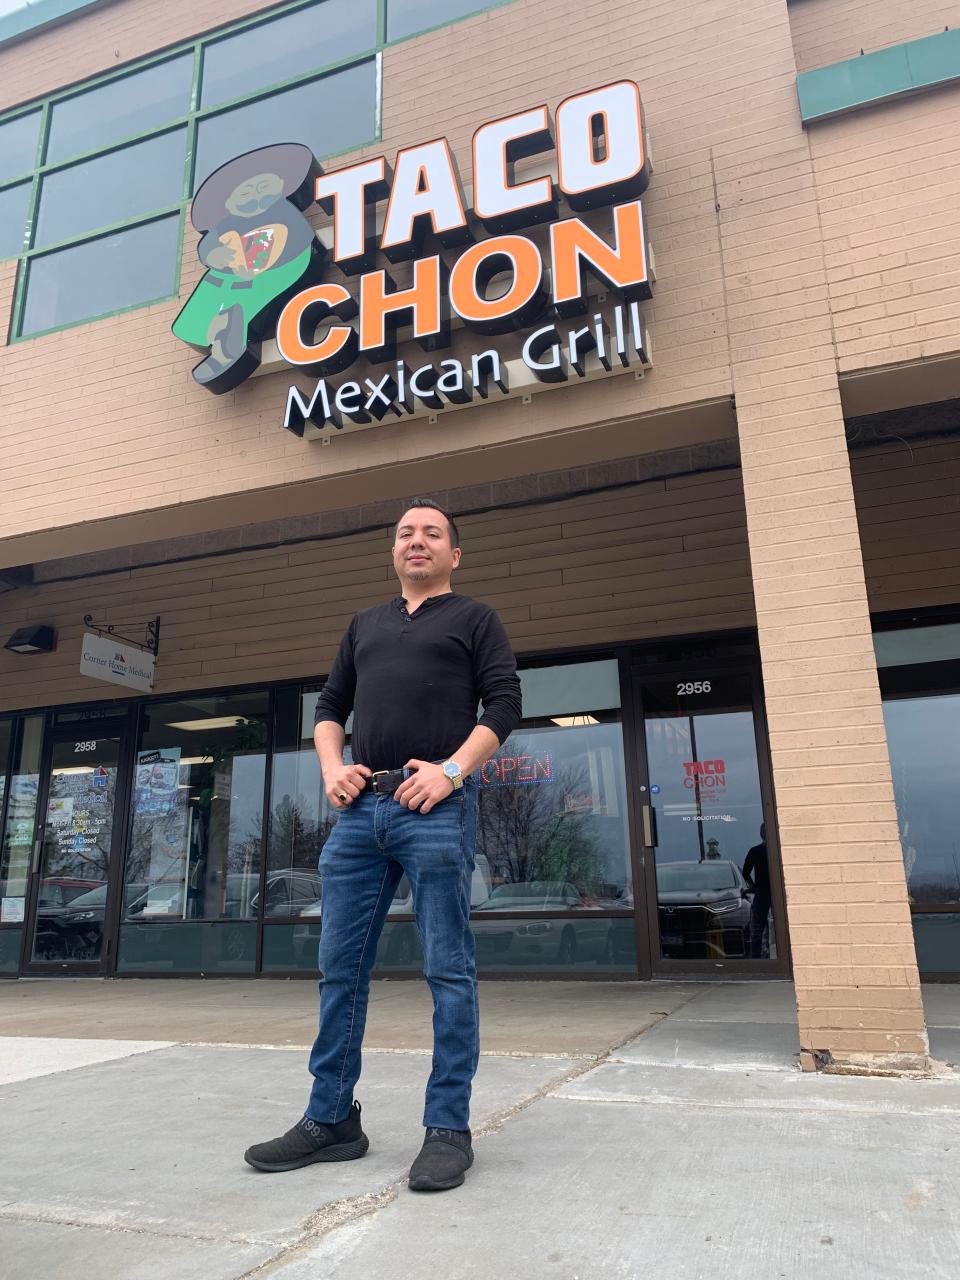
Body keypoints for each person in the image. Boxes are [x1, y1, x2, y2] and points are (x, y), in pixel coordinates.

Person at [245, 499, 522, 1192]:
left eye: (432, 533)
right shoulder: (364, 625)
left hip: (435, 808)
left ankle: (448, 1128)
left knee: (448, 971)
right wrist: (333, 769)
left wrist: (451, 771)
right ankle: (331, 1119)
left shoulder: (475, 619)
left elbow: (505, 706)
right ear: (393, 553)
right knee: (340, 969)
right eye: (405, 533)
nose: (417, 541)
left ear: (454, 555)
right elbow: (329, 710)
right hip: (361, 816)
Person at [742, 824, 772, 960]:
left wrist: (753, 887)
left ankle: (757, 959)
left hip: (762, 891)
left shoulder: (755, 851)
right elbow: (745, 872)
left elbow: (745, 873)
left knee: (758, 928)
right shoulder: (777, 850)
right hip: (773, 891)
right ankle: (758, 957)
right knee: (761, 927)